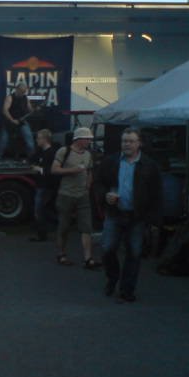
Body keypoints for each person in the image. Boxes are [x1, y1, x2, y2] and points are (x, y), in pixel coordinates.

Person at [94, 127, 162, 302]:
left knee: (134, 253)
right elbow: (98, 183)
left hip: (137, 216)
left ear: (139, 143)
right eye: (124, 141)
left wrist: (153, 220)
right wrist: (105, 195)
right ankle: (113, 277)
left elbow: (156, 193)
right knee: (107, 249)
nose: (127, 144)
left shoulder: (149, 165)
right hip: (115, 213)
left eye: (131, 141)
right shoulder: (111, 162)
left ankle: (127, 289)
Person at [52, 127, 97, 268]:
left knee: (87, 227)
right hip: (66, 195)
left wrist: (88, 184)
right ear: (78, 139)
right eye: (87, 139)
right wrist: (73, 170)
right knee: (64, 226)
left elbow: (89, 171)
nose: (89, 141)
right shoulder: (64, 151)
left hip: (83, 195)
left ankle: (88, 258)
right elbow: (54, 169)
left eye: (90, 139)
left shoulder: (88, 154)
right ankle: (61, 254)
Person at [29, 128, 60, 242]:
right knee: (42, 209)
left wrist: (39, 169)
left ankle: (42, 234)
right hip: (40, 185)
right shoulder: (40, 151)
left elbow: (52, 170)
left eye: (38, 138)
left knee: (40, 210)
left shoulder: (52, 153)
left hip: (46, 186)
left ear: (45, 139)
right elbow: (32, 159)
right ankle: (43, 232)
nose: (37, 140)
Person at [0, 81, 35, 159]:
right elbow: (5, 110)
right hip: (9, 122)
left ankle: (32, 158)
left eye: (24, 91)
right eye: (21, 91)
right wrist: (12, 120)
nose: (23, 93)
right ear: (17, 89)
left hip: (21, 122)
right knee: (3, 141)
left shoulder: (26, 98)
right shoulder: (10, 97)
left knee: (29, 140)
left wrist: (33, 110)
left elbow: (30, 109)